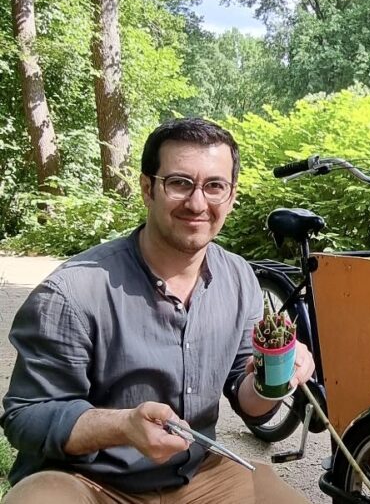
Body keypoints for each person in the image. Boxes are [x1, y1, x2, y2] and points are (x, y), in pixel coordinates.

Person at [1, 118, 315, 503]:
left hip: (197, 476)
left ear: (231, 196)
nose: (198, 203)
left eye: (215, 186)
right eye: (180, 183)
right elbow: (27, 416)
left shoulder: (239, 279)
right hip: (87, 480)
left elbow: (247, 398)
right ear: (148, 188)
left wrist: (278, 375)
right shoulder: (71, 292)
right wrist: (123, 426)